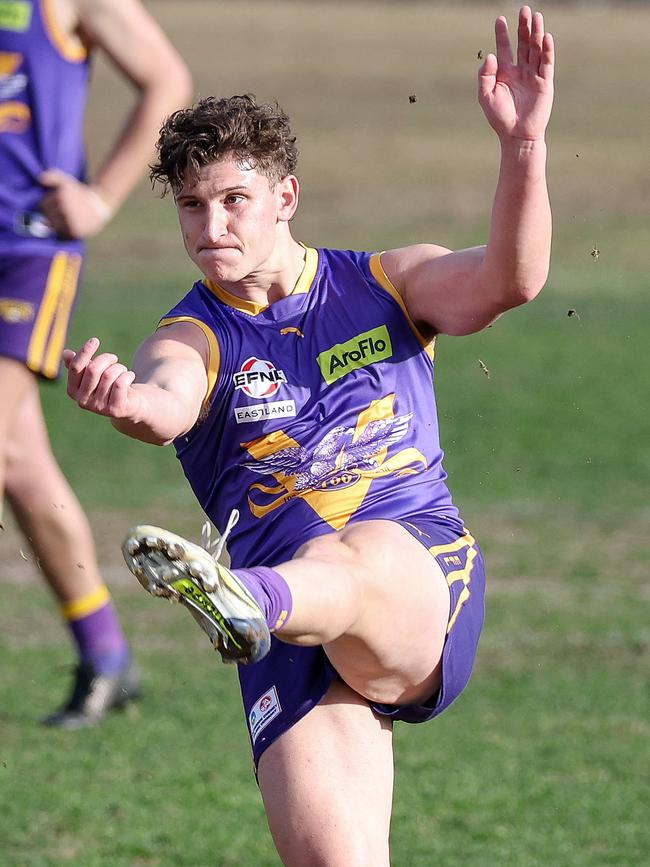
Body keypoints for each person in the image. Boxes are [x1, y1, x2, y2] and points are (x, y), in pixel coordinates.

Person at [65, 6, 553, 864]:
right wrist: (123, 400)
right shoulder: (191, 336)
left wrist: (522, 149)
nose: (211, 228)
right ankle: (259, 603)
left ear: (286, 196)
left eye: (233, 201)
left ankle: (251, 599)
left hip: (411, 572)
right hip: (287, 638)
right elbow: (168, 404)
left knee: (351, 552)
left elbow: (508, 282)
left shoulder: (387, 283)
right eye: (191, 206)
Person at [0, 0, 192, 728]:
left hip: (25, 254)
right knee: (19, 460)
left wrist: (101, 199)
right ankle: (106, 655)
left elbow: (166, 78)